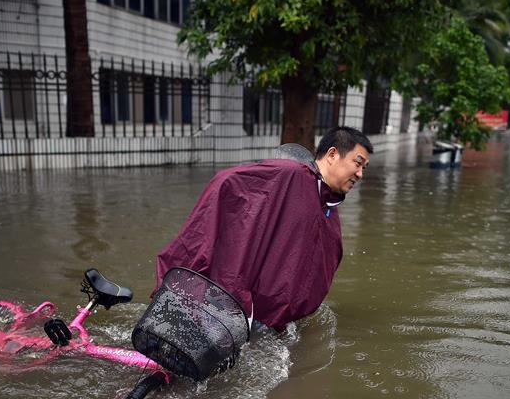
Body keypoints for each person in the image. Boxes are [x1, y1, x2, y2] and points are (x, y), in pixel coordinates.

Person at [154, 126, 373, 330]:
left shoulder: (329, 205)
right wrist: (235, 287)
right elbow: (227, 182)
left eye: (364, 167)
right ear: (333, 154)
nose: (360, 174)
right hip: (236, 311)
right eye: (358, 162)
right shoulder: (290, 174)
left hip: (275, 322)